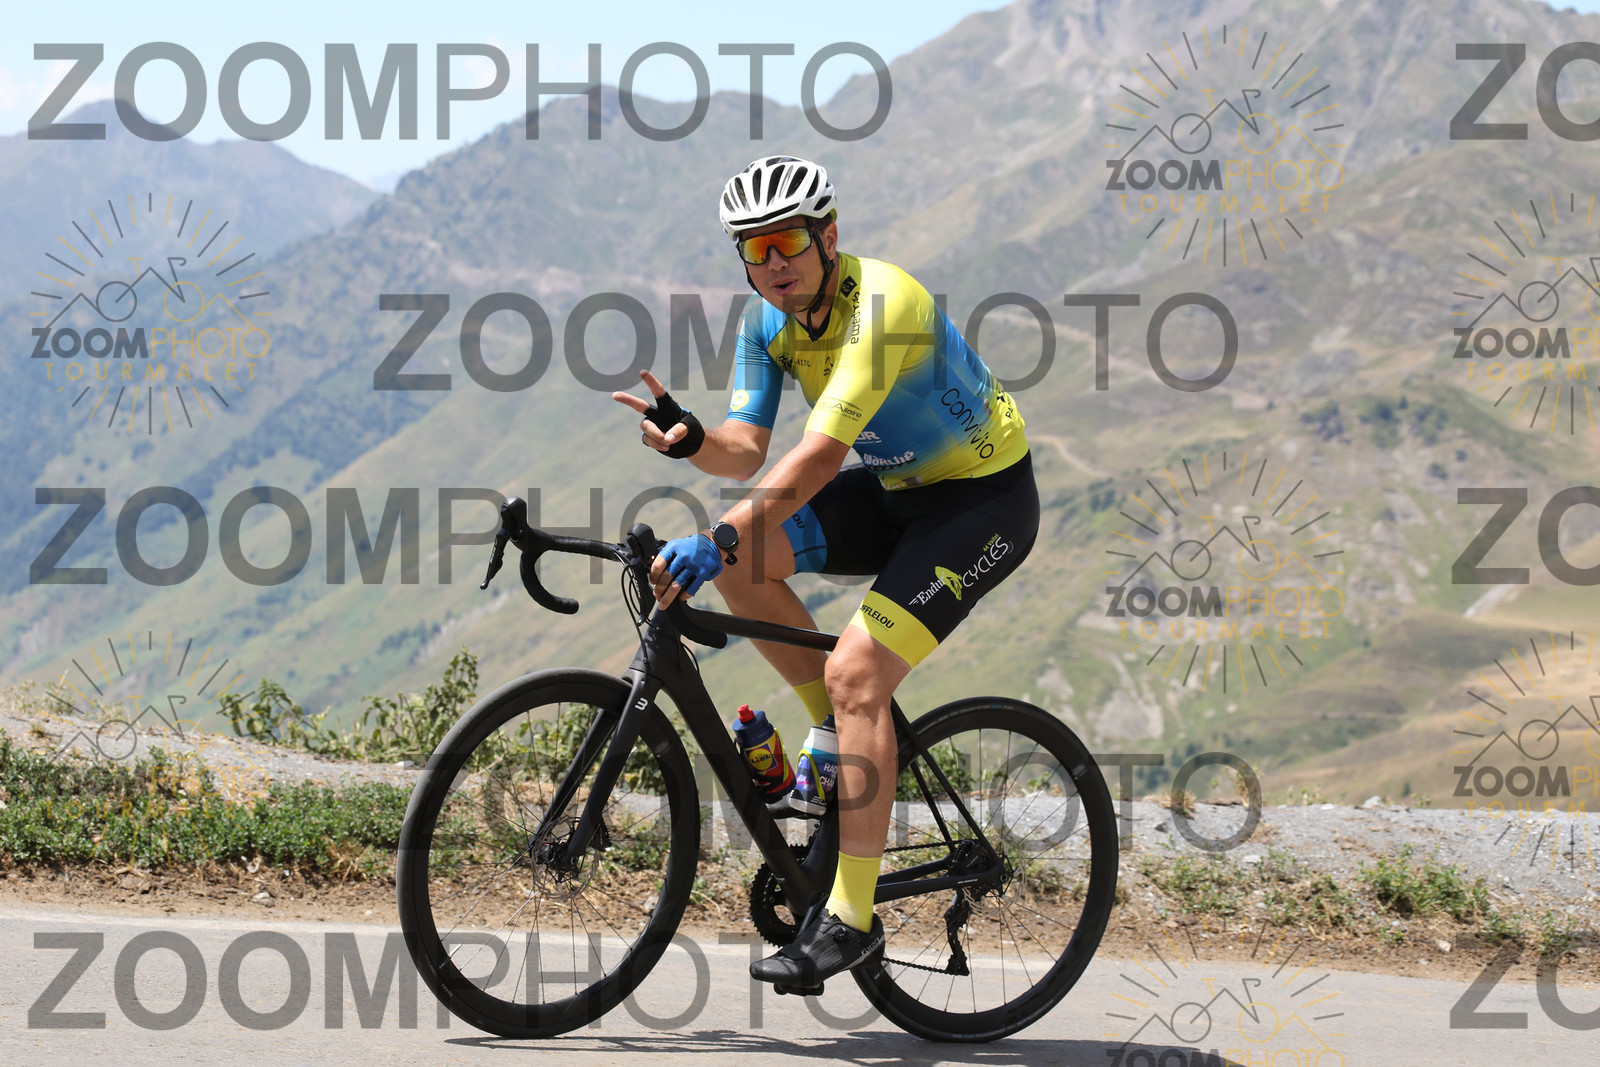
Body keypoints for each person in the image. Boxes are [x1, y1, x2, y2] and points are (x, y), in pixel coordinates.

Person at [611, 155, 1038, 988]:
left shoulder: (884, 305)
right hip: (895, 489)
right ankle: (833, 739)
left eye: (788, 242)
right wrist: (692, 439)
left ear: (828, 236)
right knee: (746, 565)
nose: (773, 262)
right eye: (755, 248)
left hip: (980, 503)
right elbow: (747, 449)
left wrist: (718, 536)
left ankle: (851, 916)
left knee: (854, 672)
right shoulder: (766, 322)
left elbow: (817, 456)